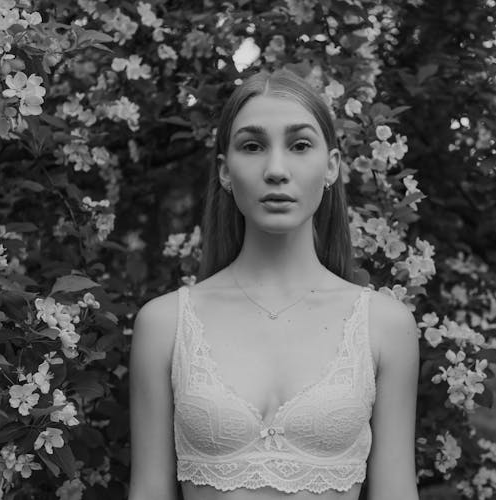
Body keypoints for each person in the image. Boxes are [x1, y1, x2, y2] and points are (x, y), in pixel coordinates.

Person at [128, 68, 420, 500]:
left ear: (332, 166)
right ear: (226, 172)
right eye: (253, 146)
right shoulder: (164, 323)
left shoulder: (385, 326)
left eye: (300, 145)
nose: (276, 169)